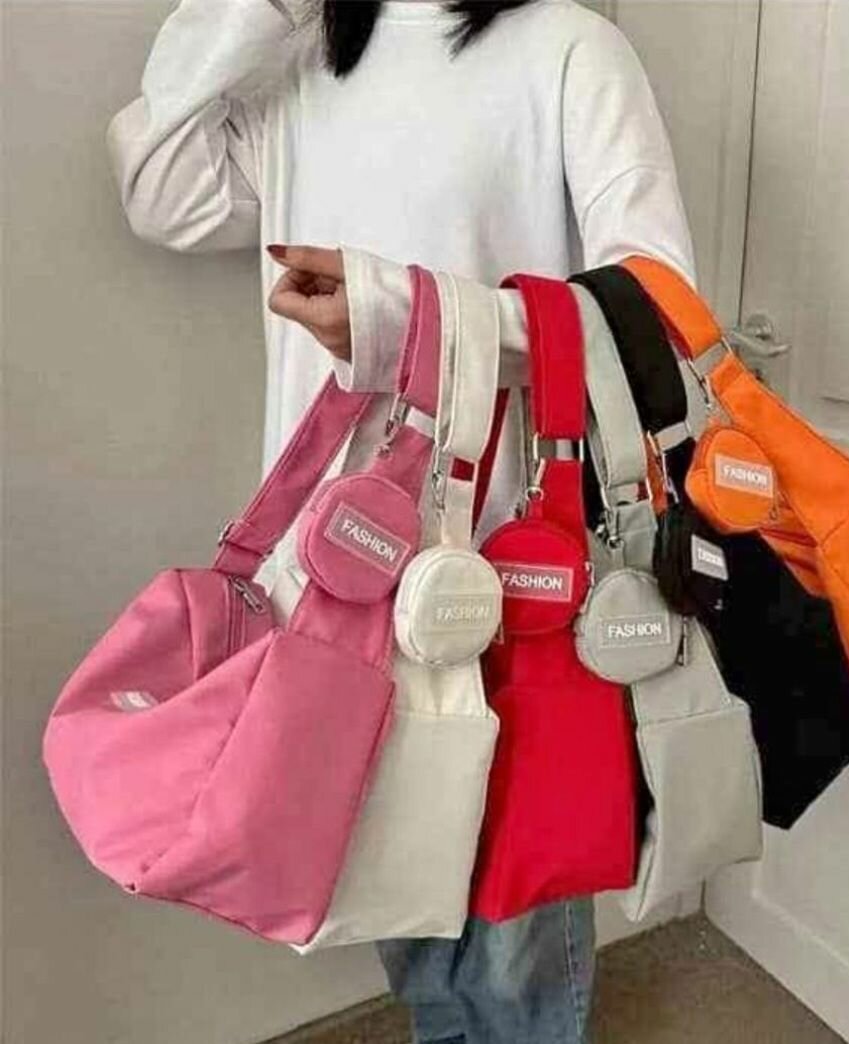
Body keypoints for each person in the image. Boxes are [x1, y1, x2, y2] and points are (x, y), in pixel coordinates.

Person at [108, 2, 694, 1041]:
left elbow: (654, 310)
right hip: (339, 565)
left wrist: (408, 316)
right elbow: (161, 190)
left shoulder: (570, 48)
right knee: (395, 871)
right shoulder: (298, 68)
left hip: (513, 563)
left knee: (512, 901)